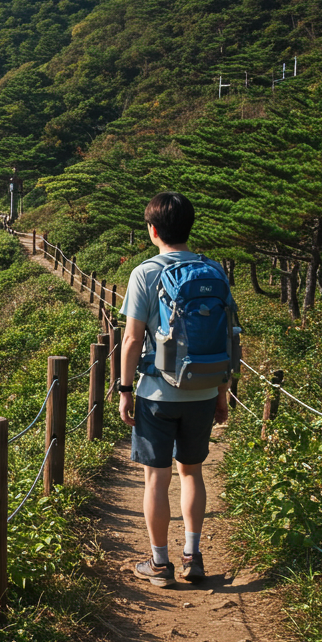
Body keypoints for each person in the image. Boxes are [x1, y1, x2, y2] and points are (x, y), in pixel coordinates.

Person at [117, 192, 232, 588]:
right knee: (192, 473)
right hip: (202, 390)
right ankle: (193, 556)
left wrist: (125, 388)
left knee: (156, 479)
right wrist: (222, 392)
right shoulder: (214, 270)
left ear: (152, 230)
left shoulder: (144, 273)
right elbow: (230, 337)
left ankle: (159, 563)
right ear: (190, 226)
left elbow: (132, 340)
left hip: (157, 393)